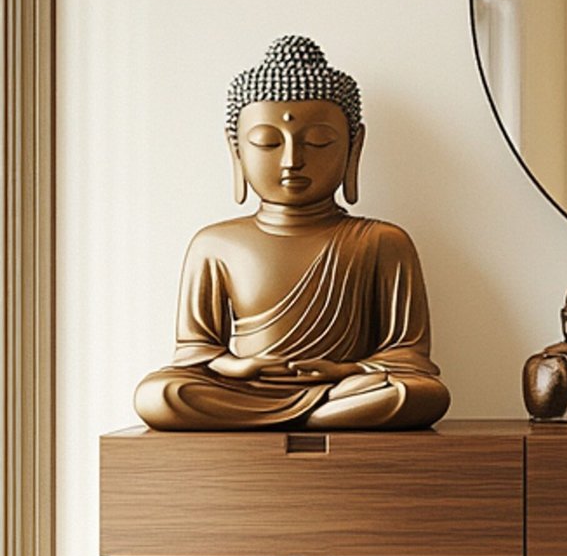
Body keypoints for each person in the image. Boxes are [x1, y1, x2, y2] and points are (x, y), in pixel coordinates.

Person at [134, 36, 450, 430]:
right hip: (248, 389)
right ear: (236, 151)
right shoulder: (214, 245)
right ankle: (317, 420)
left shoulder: (382, 241)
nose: (291, 160)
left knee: (417, 394)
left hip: (343, 388)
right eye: (267, 142)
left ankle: (304, 416)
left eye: (318, 142)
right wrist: (237, 366)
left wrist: (345, 370)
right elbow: (195, 352)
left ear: (353, 148)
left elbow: (407, 355)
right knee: (160, 394)